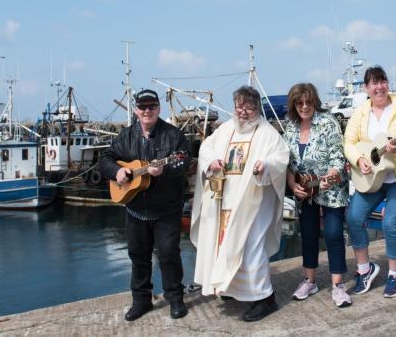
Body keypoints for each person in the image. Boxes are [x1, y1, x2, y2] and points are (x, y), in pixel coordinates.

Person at [191, 85, 289, 322]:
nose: (243, 112)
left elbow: (280, 158)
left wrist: (265, 165)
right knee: (224, 246)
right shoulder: (225, 129)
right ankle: (232, 289)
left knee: (250, 249)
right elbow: (206, 148)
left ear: (257, 108)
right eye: (239, 106)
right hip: (223, 199)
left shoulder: (268, 133)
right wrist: (212, 162)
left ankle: (265, 298)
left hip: (252, 202)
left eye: (249, 107)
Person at [99, 89, 190, 321]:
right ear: (136, 110)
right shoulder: (126, 136)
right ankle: (141, 301)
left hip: (166, 209)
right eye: (143, 107)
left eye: (152, 106)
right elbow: (106, 160)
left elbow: (183, 162)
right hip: (135, 208)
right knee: (138, 256)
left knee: (169, 254)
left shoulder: (174, 135)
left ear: (159, 108)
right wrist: (117, 171)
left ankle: (175, 299)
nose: (147, 110)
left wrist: (165, 170)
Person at [343, 66, 396, 298]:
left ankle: (395, 276)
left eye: (382, 81)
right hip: (372, 177)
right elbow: (348, 142)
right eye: (373, 83)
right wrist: (359, 159)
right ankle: (364, 270)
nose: (379, 87)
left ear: (388, 83)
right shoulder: (360, 111)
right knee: (354, 217)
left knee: (390, 224)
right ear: (366, 88)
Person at [283, 83, 351, 307]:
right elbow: (289, 164)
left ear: (315, 102)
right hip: (303, 191)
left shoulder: (328, 122)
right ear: (294, 104)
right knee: (309, 236)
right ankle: (309, 281)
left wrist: (319, 184)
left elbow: (337, 161)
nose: (304, 106)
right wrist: (293, 187)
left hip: (330, 190)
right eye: (299, 102)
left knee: (332, 234)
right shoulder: (290, 126)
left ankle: (338, 286)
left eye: (308, 102)